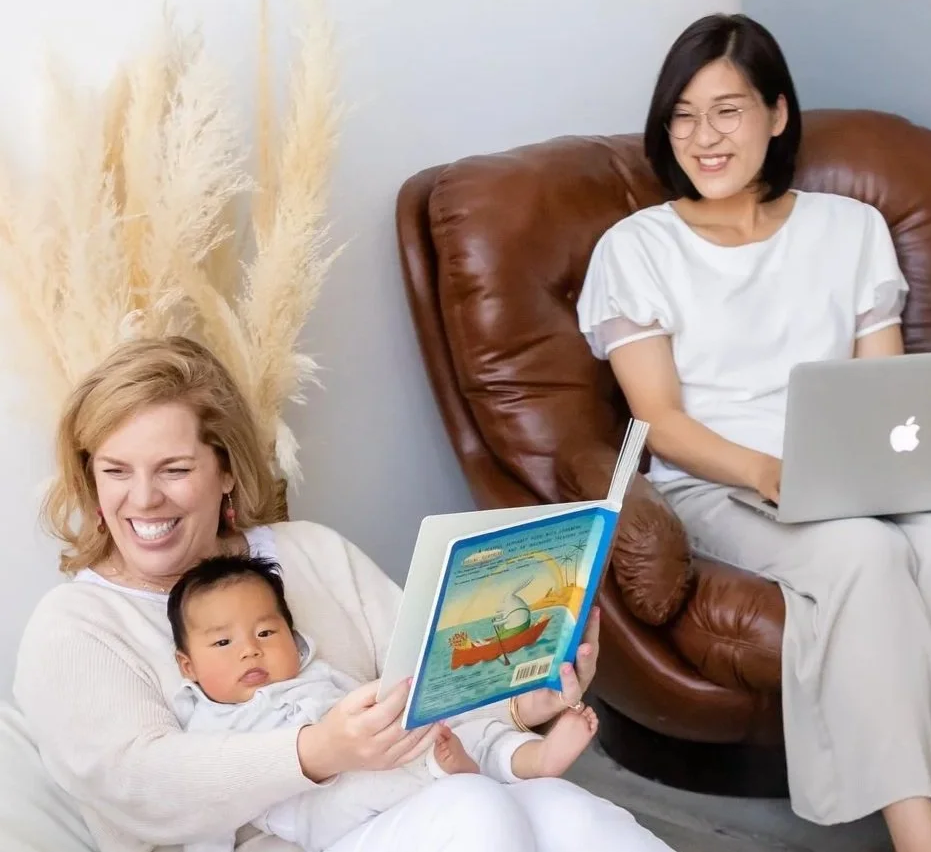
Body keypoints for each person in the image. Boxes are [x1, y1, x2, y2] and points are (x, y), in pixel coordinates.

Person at [575, 13, 931, 852]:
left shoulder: (850, 229)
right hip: (719, 479)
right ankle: (920, 838)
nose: (705, 137)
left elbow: (883, 391)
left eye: (727, 111)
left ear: (776, 114)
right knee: (861, 554)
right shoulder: (636, 249)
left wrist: (893, 468)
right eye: (684, 115)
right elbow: (660, 422)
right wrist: (772, 472)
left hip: (851, 466)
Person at [12, 335, 674, 852]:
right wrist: (315, 751)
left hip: (397, 804)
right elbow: (141, 784)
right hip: (295, 836)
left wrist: (519, 704)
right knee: (472, 810)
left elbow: (425, 693)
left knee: (575, 815)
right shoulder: (76, 624)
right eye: (116, 471)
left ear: (225, 471)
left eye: (174, 468)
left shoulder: (308, 552)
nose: (144, 497)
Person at [167, 553, 601, 852]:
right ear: (187, 665)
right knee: (419, 761)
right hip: (320, 812)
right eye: (223, 642)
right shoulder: (207, 722)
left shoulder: (319, 677)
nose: (249, 650)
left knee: (441, 729)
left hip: (384, 774)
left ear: (293, 638)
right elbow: (206, 810)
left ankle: (529, 758)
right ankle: (449, 770)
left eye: (265, 633)